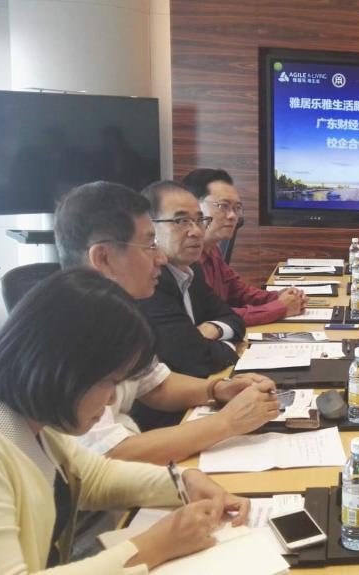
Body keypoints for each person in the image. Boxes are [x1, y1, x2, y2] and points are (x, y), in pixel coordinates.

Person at [0, 268, 250, 573]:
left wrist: (183, 482)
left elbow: (94, 476)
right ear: (59, 369)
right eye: (110, 381)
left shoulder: (29, 418)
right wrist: (155, 546)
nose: (110, 400)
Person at [54, 181, 278, 463]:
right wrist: (227, 423)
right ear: (104, 258)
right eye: (150, 245)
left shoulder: (116, 315)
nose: (160, 257)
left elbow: (157, 385)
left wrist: (218, 390)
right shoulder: (69, 332)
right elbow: (110, 455)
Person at [138, 180, 245, 379]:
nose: (196, 231)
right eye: (181, 221)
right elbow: (195, 359)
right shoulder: (147, 281)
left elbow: (233, 319)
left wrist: (213, 328)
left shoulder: (190, 269)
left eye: (199, 220)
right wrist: (230, 346)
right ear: (149, 228)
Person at [183, 168, 307, 326]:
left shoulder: (213, 250)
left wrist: (279, 296)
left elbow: (240, 292)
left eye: (236, 208)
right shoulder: (184, 260)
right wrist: (280, 307)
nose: (232, 216)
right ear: (194, 207)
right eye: (223, 206)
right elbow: (213, 317)